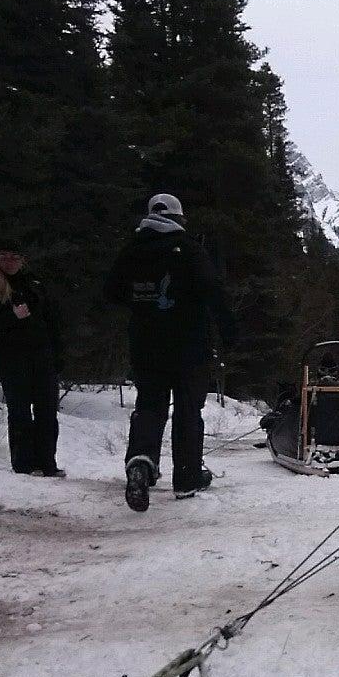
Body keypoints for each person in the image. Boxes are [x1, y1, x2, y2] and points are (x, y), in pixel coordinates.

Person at [104, 192, 235, 511]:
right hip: (189, 346)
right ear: (179, 219)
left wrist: (142, 306)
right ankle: (187, 478)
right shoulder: (189, 249)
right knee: (189, 411)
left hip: (146, 345)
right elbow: (213, 290)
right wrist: (229, 333)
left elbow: (111, 292)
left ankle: (141, 462)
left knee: (149, 406)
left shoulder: (132, 251)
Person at [0, 234, 64, 477]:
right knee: (20, 410)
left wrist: (58, 353)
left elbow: (51, 319)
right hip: (11, 356)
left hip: (42, 354)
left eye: (14, 257)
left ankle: (47, 462)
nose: (9, 261)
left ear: (23, 260)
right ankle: (23, 464)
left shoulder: (34, 282)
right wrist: (12, 317)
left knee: (47, 409)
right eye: (4, 257)